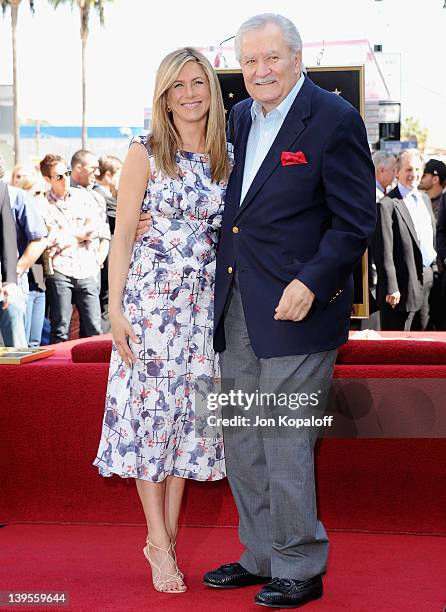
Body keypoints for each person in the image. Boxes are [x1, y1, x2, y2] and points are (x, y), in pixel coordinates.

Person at [201, 14, 375, 609]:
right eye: (249, 61)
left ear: (297, 58)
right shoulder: (242, 117)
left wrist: (311, 280)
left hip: (300, 310)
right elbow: (232, 210)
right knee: (241, 436)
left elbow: (355, 221)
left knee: (283, 435)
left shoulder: (333, 118)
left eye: (271, 58)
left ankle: (300, 564)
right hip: (237, 308)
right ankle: (261, 554)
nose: (259, 71)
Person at [93, 47, 231, 594]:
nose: (191, 94)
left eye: (199, 83)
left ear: (211, 91)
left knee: (184, 428)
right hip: (150, 309)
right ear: (164, 96)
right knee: (150, 422)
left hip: (202, 313)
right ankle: (157, 539)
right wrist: (115, 307)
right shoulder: (145, 152)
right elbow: (123, 233)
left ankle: (165, 538)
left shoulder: (228, 155)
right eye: (179, 86)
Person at [39, 154, 107, 343]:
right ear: (47, 179)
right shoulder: (42, 203)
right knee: (60, 327)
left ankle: (96, 371)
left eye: (67, 173)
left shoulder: (84, 197)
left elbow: (92, 229)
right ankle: (56, 370)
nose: (65, 179)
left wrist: (64, 235)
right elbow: (50, 237)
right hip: (60, 270)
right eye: (59, 176)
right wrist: (78, 233)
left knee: (94, 328)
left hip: (86, 267)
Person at [375, 149, 436, 331]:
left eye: (417, 170)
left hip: (427, 283)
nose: (414, 175)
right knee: (399, 346)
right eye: (409, 169)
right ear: (398, 172)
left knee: (425, 341)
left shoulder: (425, 199)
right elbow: (383, 251)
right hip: (401, 289)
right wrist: (391, 287)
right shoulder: (386, 205)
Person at [421, 159, 446, 329]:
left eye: (424, 174)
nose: (419, 178)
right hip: (431, 275)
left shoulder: (442, 200)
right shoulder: (419, 200)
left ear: (435, 178)